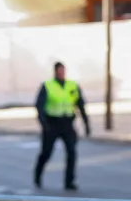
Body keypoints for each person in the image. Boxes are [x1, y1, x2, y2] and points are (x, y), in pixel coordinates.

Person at [34, 61, 90, 191]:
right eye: (59, 71)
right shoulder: (47, 85)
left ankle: (69, 181)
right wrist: (43, 124)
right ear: (55, 71)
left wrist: (86, 123)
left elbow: (80, 104)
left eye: (63, 71)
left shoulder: (72, 85)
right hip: (52, 124)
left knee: (71, 152)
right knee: (46, 153)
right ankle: (38, 176)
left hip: (67, 124)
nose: (61, 73)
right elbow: (39, 106)